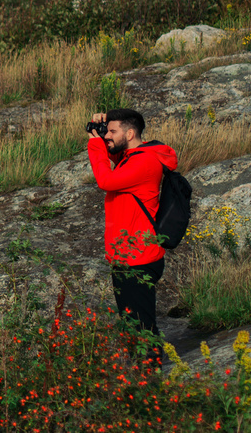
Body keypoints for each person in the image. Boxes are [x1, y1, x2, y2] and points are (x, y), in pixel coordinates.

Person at [87, 108, 178, 365]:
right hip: (126, 256)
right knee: (131, 324)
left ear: (129, 133)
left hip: (139, 258)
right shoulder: (132, 157)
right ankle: (142, 375)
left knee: (141, 326)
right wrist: (99, 132)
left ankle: (151, 377)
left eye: (112, 131)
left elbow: (105, 180)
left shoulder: (145, 162)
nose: (108, 136)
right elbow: (114, 156)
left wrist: (95, 144)